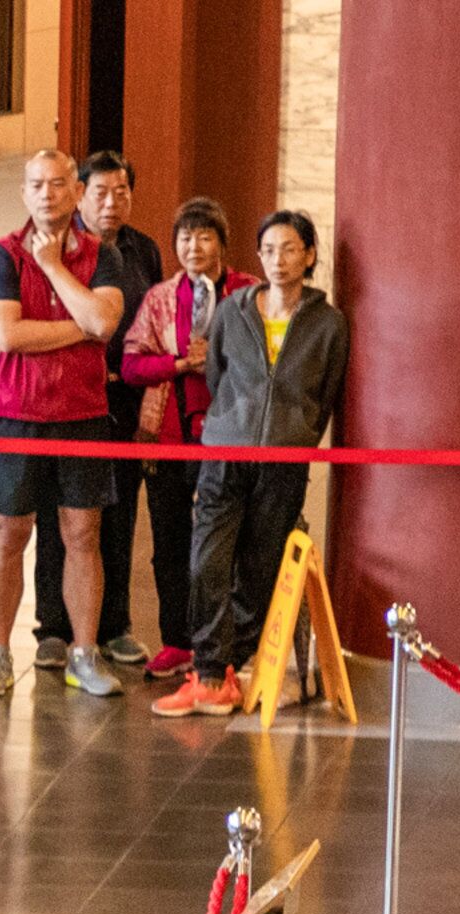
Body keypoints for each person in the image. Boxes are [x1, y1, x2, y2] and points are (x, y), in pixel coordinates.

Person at [153, 211, 347, 718]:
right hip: (226, 451)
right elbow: (217, 376)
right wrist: (233, 422)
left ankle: (230, 668)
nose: (278, 260)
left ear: (309, 255)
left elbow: (325, 394)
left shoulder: (328, 324)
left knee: (259, 570)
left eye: (289, 249)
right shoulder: (233, 311)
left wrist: (296, 433)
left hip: (283, 460)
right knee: (207, 561)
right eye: (268, 249)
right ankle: (208, 672)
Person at [0, 149, 136, 700]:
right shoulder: (0, 255)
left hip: (83, 415)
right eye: (36, 185)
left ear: (76, 191)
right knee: (9, 533)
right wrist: (79, 326)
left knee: (82, 535)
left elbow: (105, 321)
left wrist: (53, 269)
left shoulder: (102, 255)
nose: (47, 194)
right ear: (24, 193)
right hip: (16, 415)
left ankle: (84, 653)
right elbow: (8, 335)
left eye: (58, 184)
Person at [32, 152, 165, 673]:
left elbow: (152, 321)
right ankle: (52, 628)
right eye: (101, 192)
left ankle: (114, 626)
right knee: (60, 515)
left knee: (120, 512)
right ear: (79, 195)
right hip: (68, 395)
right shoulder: (59, 247)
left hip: (122, 397)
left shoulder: (143, 250)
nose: (112, 203)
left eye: (122, 192)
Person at [117, 198, 252, 681]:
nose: (193, 247)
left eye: (204, 237)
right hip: (169, 434)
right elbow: (131, 364)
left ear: (222, 244)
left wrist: (214, 356)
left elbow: (262, 361)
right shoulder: (160, 297)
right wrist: (179, 364)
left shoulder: (247, 293)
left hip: (230, 434)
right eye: (185, 238)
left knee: (225, 544)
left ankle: (226, 644)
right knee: (169, 541)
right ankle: (176, 639)